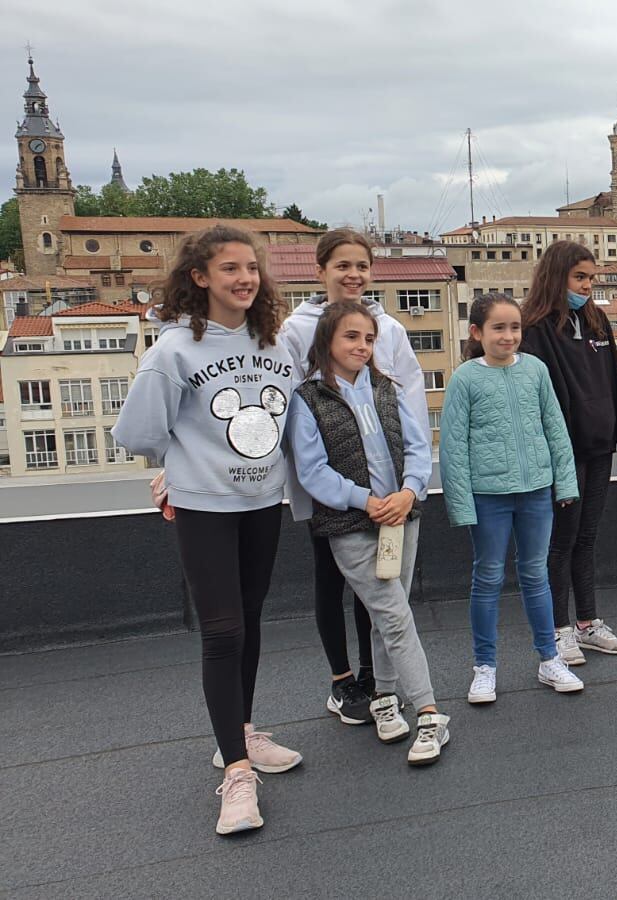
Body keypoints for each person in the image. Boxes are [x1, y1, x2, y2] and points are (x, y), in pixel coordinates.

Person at [112, 225, 301, 835]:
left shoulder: (275, 344)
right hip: (204, 508)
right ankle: (238, 777)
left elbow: (290, 420)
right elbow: (139, 433)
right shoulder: (172, 352)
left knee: (248, 620)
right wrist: (179, 467)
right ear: (200, 277)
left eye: (251, 268)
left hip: (262, 502)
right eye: (229, 269)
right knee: (222, 632)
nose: (245, 278)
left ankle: (238, 734)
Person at [286, 300, 449, 765]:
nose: (362, 346)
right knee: (394, 613)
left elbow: (419, 447)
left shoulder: (387, 388)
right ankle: (430, 713)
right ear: (327, 342)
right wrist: (366, 501)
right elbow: (312, 473)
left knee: (387, 612)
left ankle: (382, 695)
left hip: (401, 518)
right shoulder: (307, 400)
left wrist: (409, 492)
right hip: (351, 526)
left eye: (369, 338)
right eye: (351, 337)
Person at [278, 227, 426, 725]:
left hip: (389, 487)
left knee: (382, 584)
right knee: (331, 577)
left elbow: (409, 403)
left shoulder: (393, 330)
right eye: (342, 265)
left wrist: (411, 482)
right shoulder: (296, 330)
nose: (353, 274)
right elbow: (287, 400)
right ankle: (343, 681)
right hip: (336, 488)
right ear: (320, 271)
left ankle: (375, 676)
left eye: (361, 265)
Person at [441, 294, 585, 700]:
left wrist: (566, 483)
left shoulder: (536, 370)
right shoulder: (465, 378)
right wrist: (460, 504)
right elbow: (453, 446)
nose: (508, 336)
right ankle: (484, 666)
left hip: (536, 491)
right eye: (498, 328)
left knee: (535, 574)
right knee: (487, 577)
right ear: (476, 333)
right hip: (488, 496)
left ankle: (549, 658)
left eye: (515, 327)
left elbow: (555, 428)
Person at [520, 240, 617, 665]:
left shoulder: (597, 320)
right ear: (557, 277)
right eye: (579, 278)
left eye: (591, 278)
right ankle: (559, 629)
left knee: (586, 539)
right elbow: (538, 400)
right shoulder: (533, 329)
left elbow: (616, 387)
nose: (587, 286)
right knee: (561, 542)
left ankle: (588, 623)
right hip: (562, 456)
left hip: (598, 450)